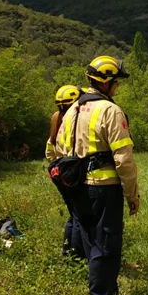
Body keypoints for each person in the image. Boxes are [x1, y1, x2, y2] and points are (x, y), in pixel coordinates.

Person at [54, 55, 140, 295]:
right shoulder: (110, 111)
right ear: (106, 82)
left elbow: (59, 148)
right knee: (107, 246)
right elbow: (123, 157)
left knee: (92, 243)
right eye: (116, 82)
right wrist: (132, 194)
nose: (117, 88)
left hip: (78, 188)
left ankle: (105, 293)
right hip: (104, 188)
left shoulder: (72, 110)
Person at [47, 84, 85, 258]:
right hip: (72, 173)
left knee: (73, 214)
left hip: (59, 173)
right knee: (78, 216)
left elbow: (49, 152)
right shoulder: (72, 121)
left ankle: (67, 251)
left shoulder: (57, 120)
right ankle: (76, 256)